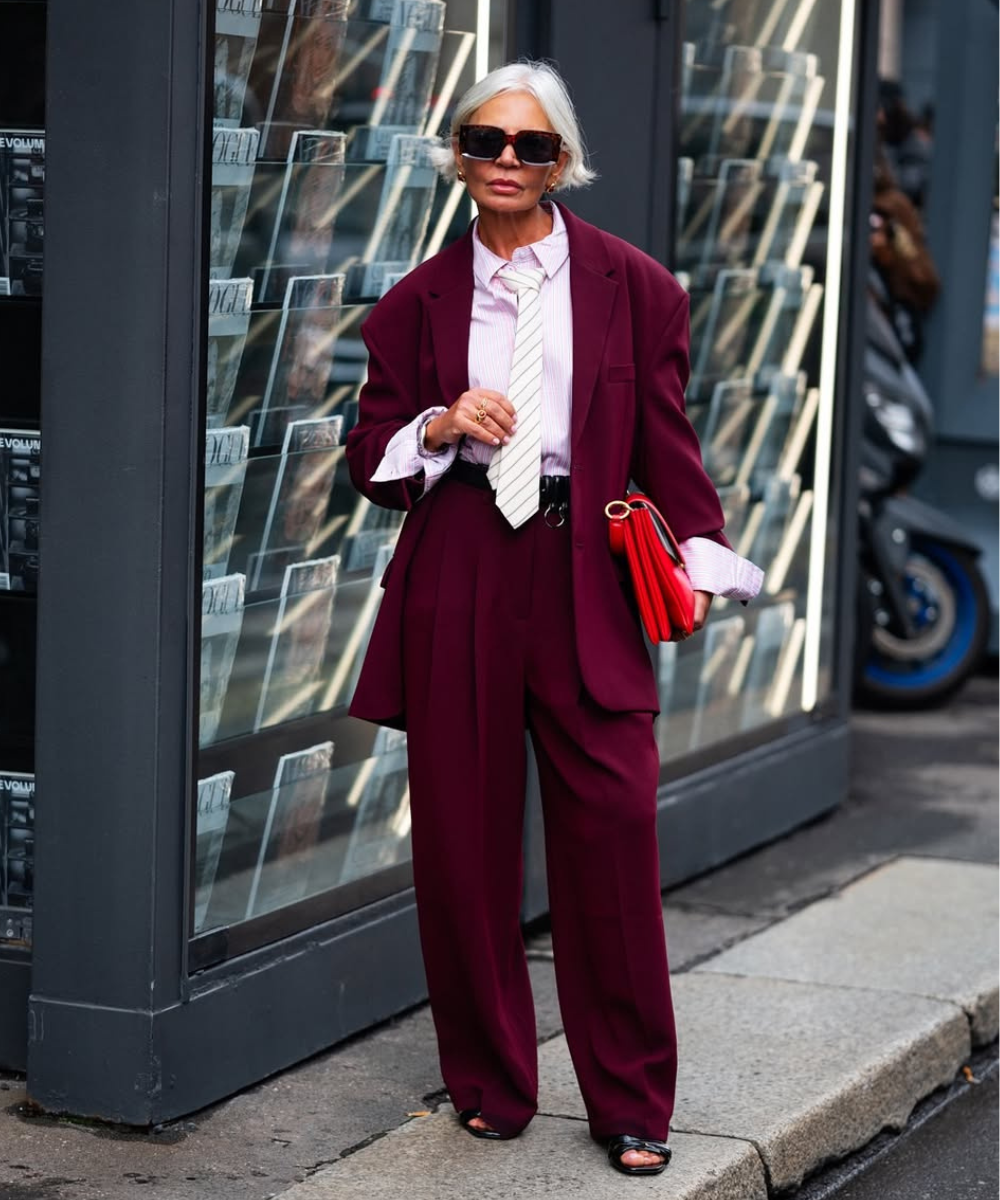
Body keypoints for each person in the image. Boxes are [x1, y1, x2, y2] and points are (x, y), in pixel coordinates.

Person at [345, 60, 763, 1177]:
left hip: (589, 569)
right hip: (462, 565)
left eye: (531, 147)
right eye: (485, 141)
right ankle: (488, 1078)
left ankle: (631, 1102)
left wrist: (706, 554)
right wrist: (436, 426)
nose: (506, 163)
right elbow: (368, 459)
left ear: (564, 160)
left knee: (613, 840)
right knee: (463, 849)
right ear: (459, 154)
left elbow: (667, 440)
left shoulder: (637, 287)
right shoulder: (414, 302)